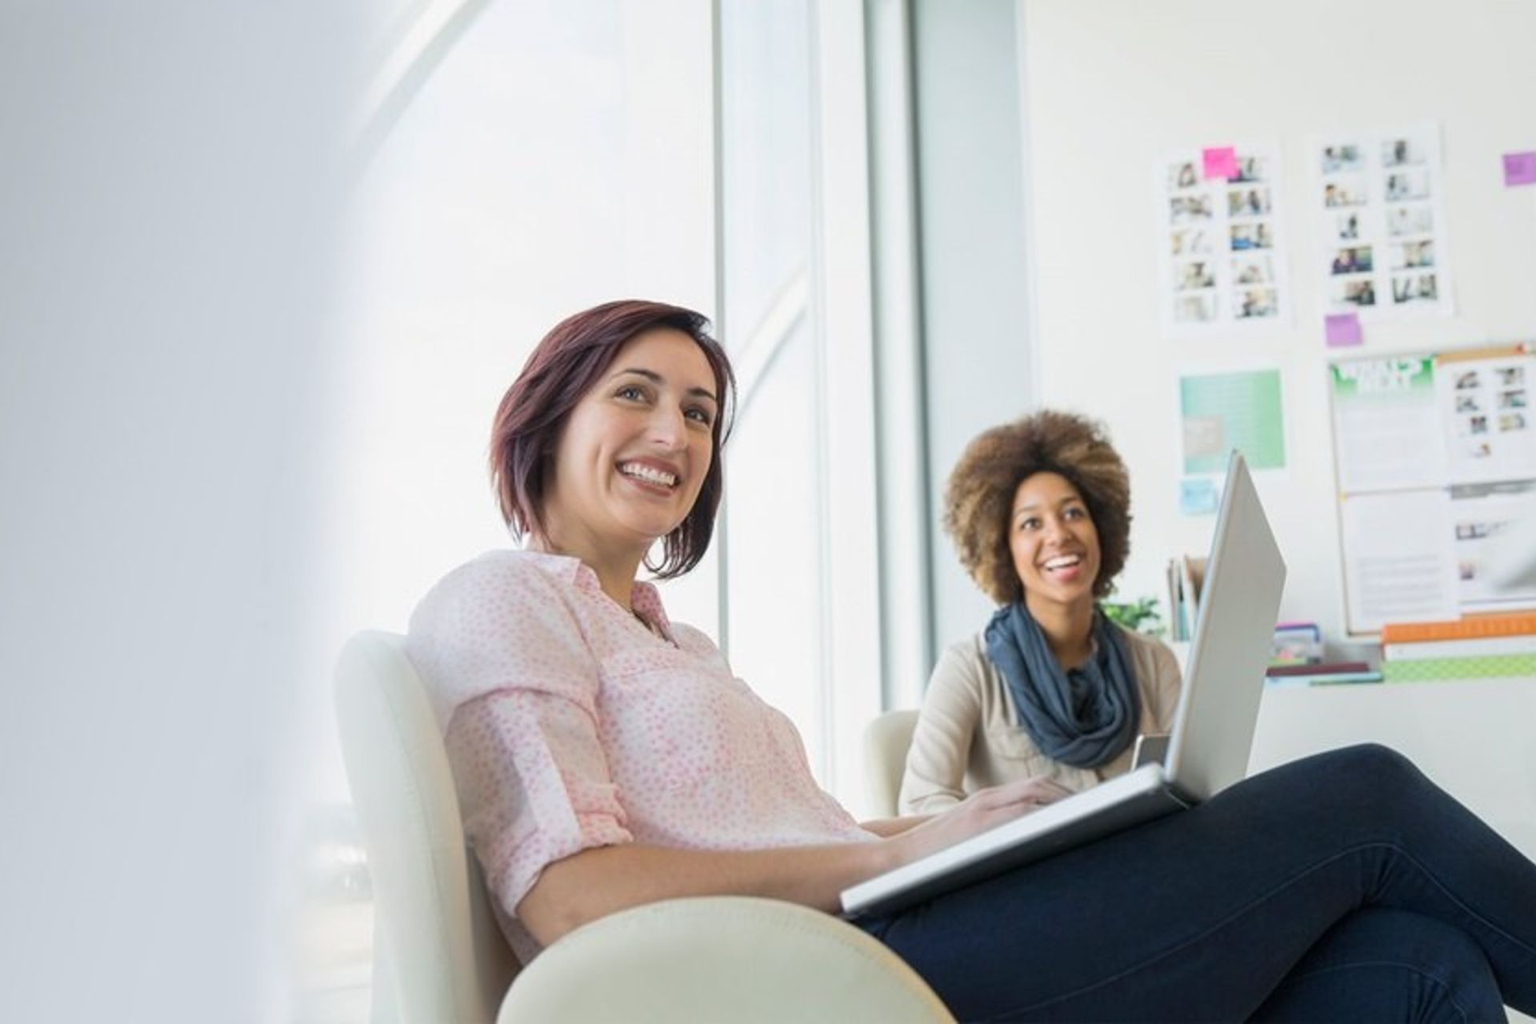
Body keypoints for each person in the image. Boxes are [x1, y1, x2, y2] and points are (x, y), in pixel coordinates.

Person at [407, 299, 1536, 1021]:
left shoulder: (674, 638)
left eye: (700, 412)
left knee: (1423, 965)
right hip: (840, 977)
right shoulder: (500, 599)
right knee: (1370, 797)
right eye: (637, 395)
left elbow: (813, 831)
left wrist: (995, 824)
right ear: (547, 418)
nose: (677, 434)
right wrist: (924, 838)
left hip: (895, 932)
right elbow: (567, 897)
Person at [897, 412, 1182, 816]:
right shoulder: (969, 668)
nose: (1058, 534)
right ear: (1001, 549)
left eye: (1073, 513)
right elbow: (919, 804)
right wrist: (1011, 822)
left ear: (1101, 528)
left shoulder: (1154, 662)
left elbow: (1193, 786)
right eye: (1031, 523)